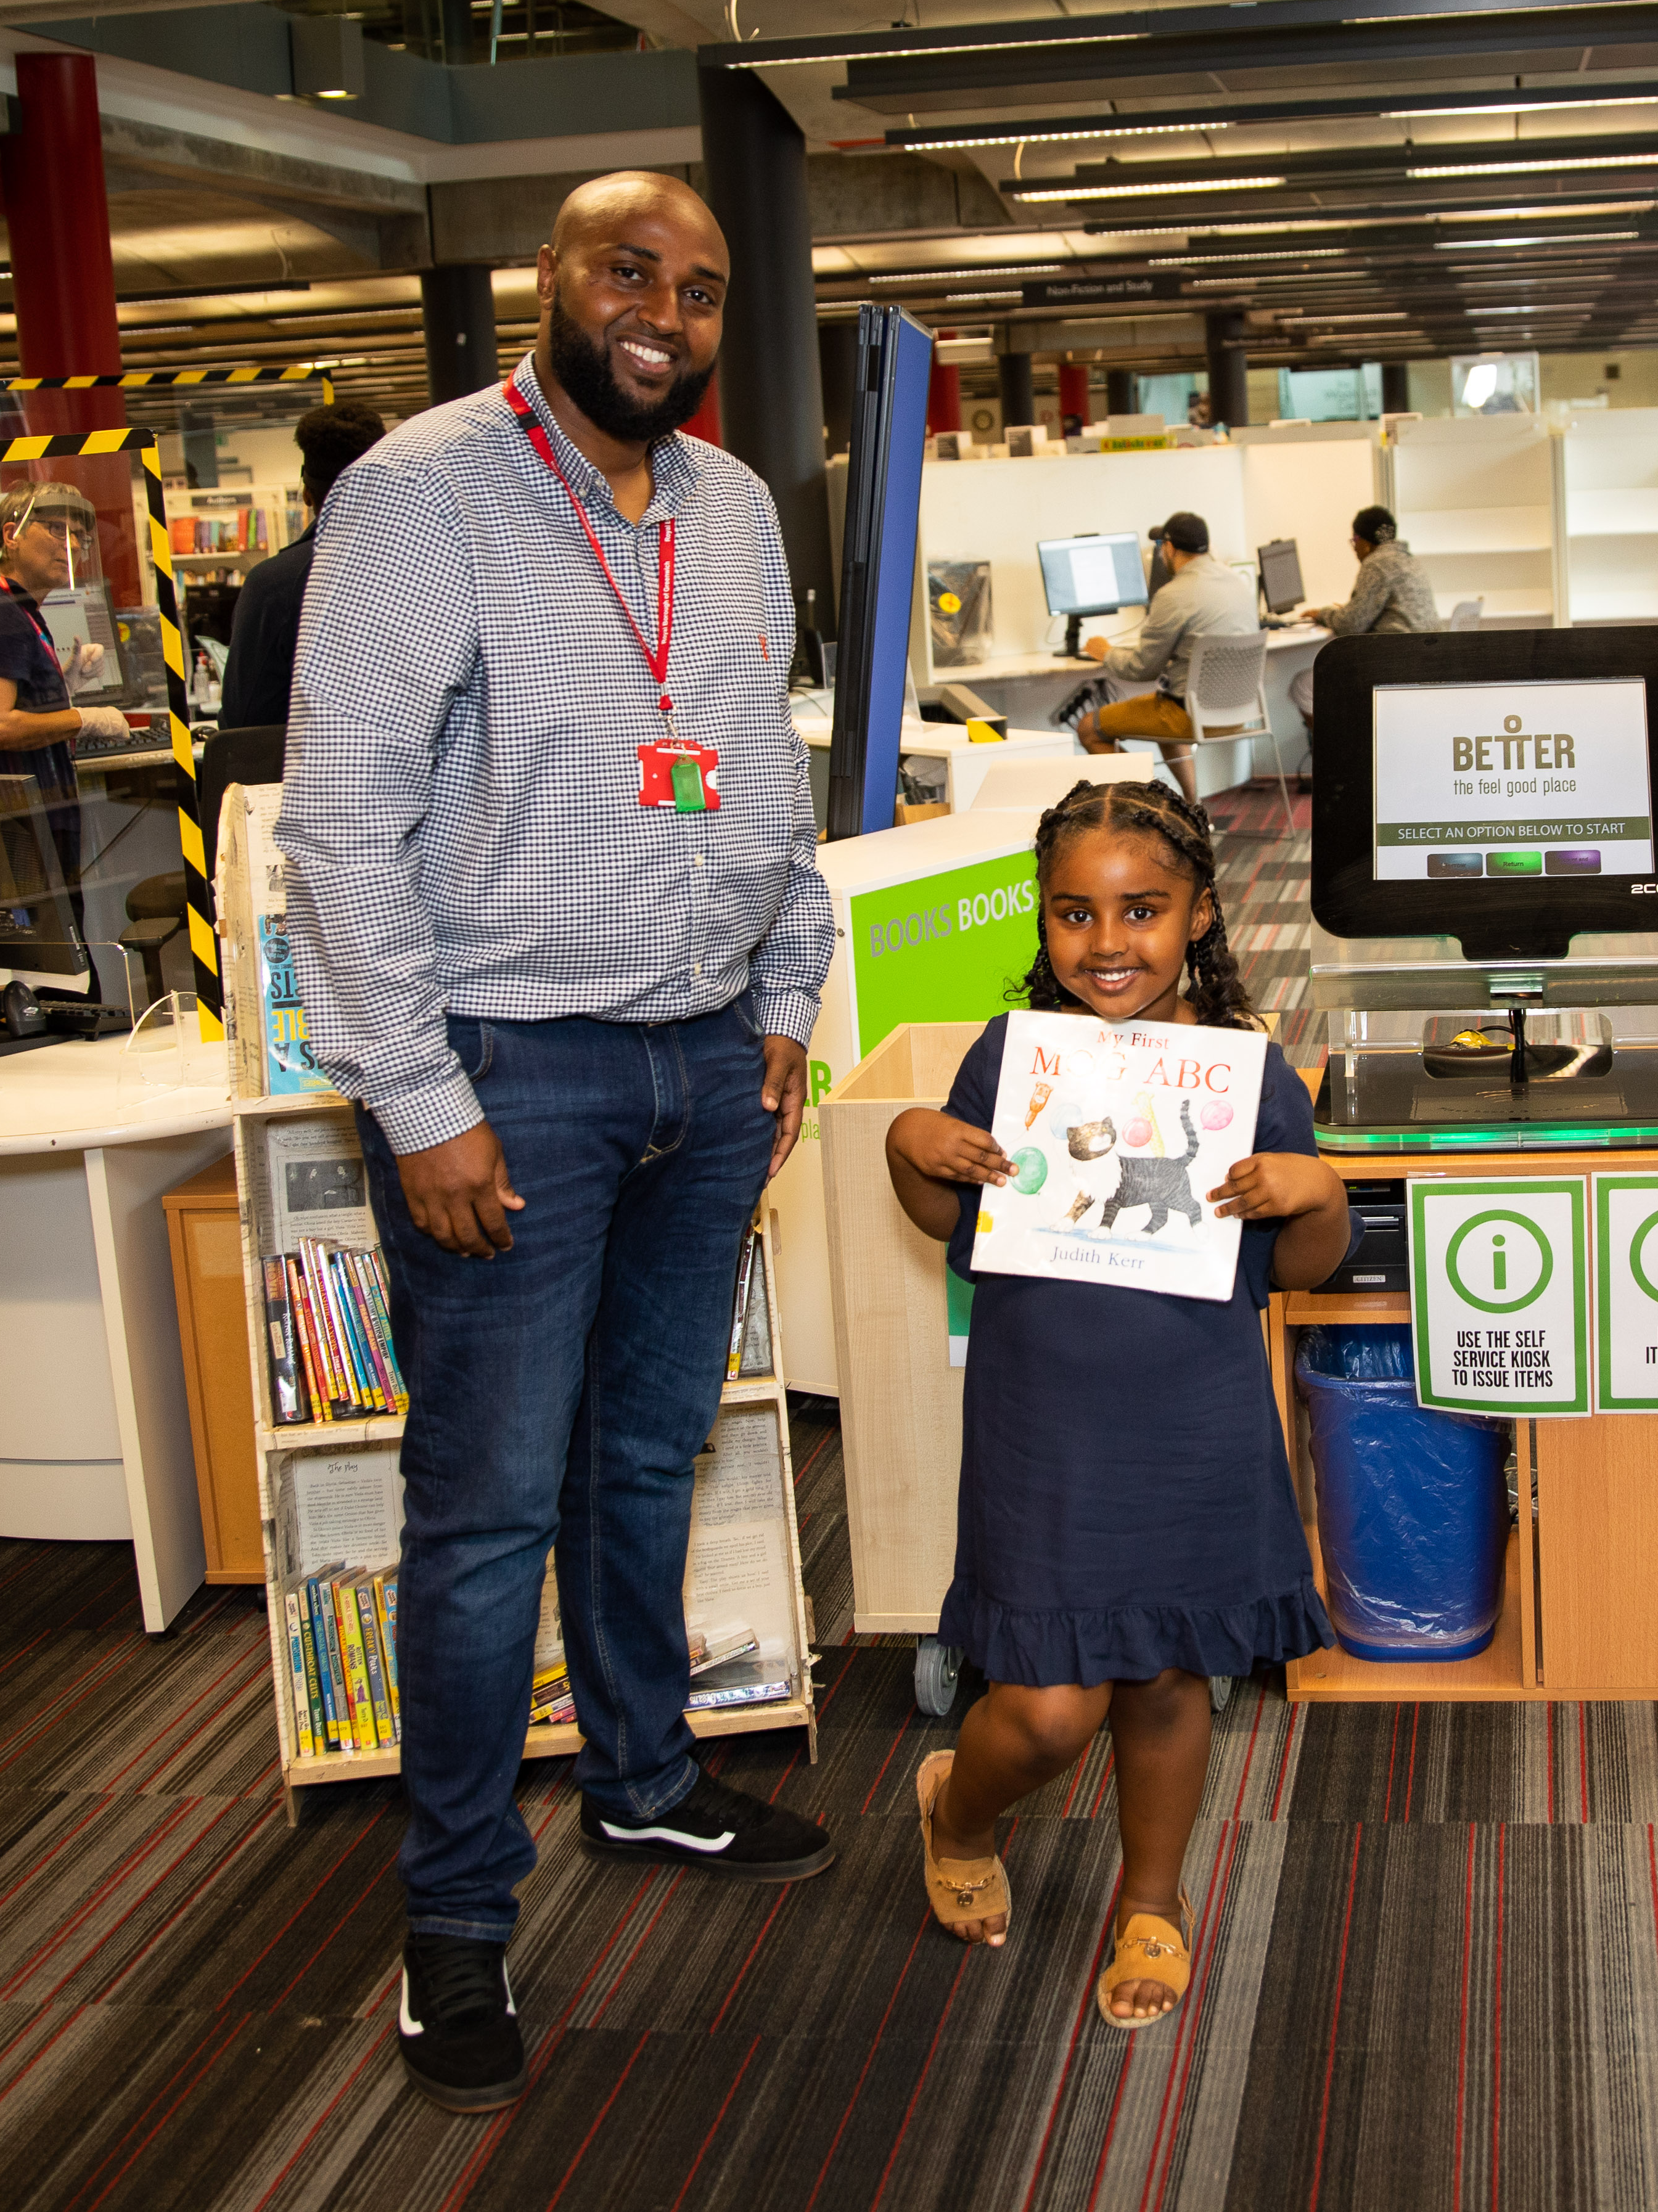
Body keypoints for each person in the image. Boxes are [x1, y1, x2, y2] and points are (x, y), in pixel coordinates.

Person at [281, 170, 841, 2117]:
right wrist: (419, 1095)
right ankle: (453, 1920)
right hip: (513, 1074)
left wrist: (784, 1006)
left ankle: (646, 1783)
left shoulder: (738, 507)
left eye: (697, 289)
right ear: (550, 282)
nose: (667, 313)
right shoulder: (426, 490)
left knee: (645, 1457)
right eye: (631, 273)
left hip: (704, 1066)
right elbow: (336, 821)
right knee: (483, 1510)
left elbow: (763, 770)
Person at [880, 778, 1345, 2028]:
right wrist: (911, 1145)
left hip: (1192, 1421)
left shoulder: (1243, 1072)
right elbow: (950, 1221)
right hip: (1045, 1426)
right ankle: (960, 1805)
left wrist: (1311, 1189)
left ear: (1198, 913)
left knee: (1164, 1679)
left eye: (1140, 909)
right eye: (1073, 913)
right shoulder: (1012, 1060)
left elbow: (1300, 1274)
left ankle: (1154, 1893)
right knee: (1041, 1706)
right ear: (1042, 921)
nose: (1106, 941)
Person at [0, 481, 133, 875]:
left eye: (80, 537)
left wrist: (61, 687)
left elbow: (7, 705)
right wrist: (85, 719)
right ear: (12, 536)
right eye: (57, 530)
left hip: (27, 818)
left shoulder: (14, 609)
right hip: (17, 826)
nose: (74, 546)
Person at [220, 398, 390, 735]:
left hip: (315, 781)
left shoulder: (276, 584)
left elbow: (244, 723)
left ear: (307, 494)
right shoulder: (440, 564)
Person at [1074, 511, 1257, 804]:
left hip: (1191, 716)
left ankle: (1157, 805)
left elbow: (1142, 669)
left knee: (1088, 727)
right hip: (1241, 712)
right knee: (1166, 704)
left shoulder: (1174, 594)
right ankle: (1191, 806)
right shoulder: (1239, 583)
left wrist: (1106, 653)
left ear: (1169, 548)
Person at [1299, 506, 1436, 636]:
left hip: (1399, 654)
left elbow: (1350, 625)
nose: (1354, 548)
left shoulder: (1377, 564)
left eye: (1355, 540)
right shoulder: (1409, 560)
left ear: (1365, 543)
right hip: (1426, 652)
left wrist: (1322, 614)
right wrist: (1350, 611)